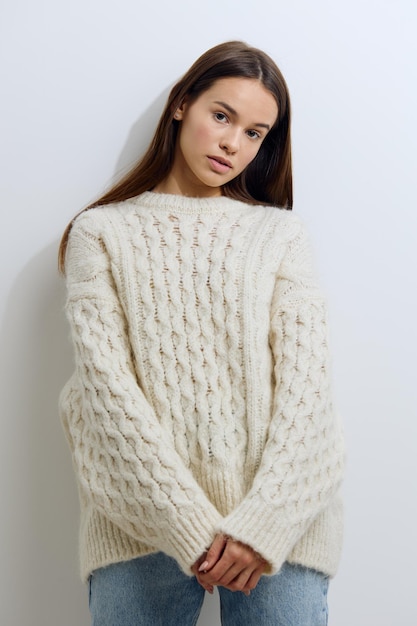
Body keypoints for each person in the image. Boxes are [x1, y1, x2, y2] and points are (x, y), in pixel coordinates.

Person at [58, 40, 345, 626]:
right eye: (222, 115)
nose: (232, 143)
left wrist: (262, 528)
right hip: (138, 519)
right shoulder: (101, 233)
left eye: (255, 132)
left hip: (279, 527)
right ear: (182, 104)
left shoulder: (280, 236)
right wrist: (187, 528)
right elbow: (105, 394)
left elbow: (308, 394)